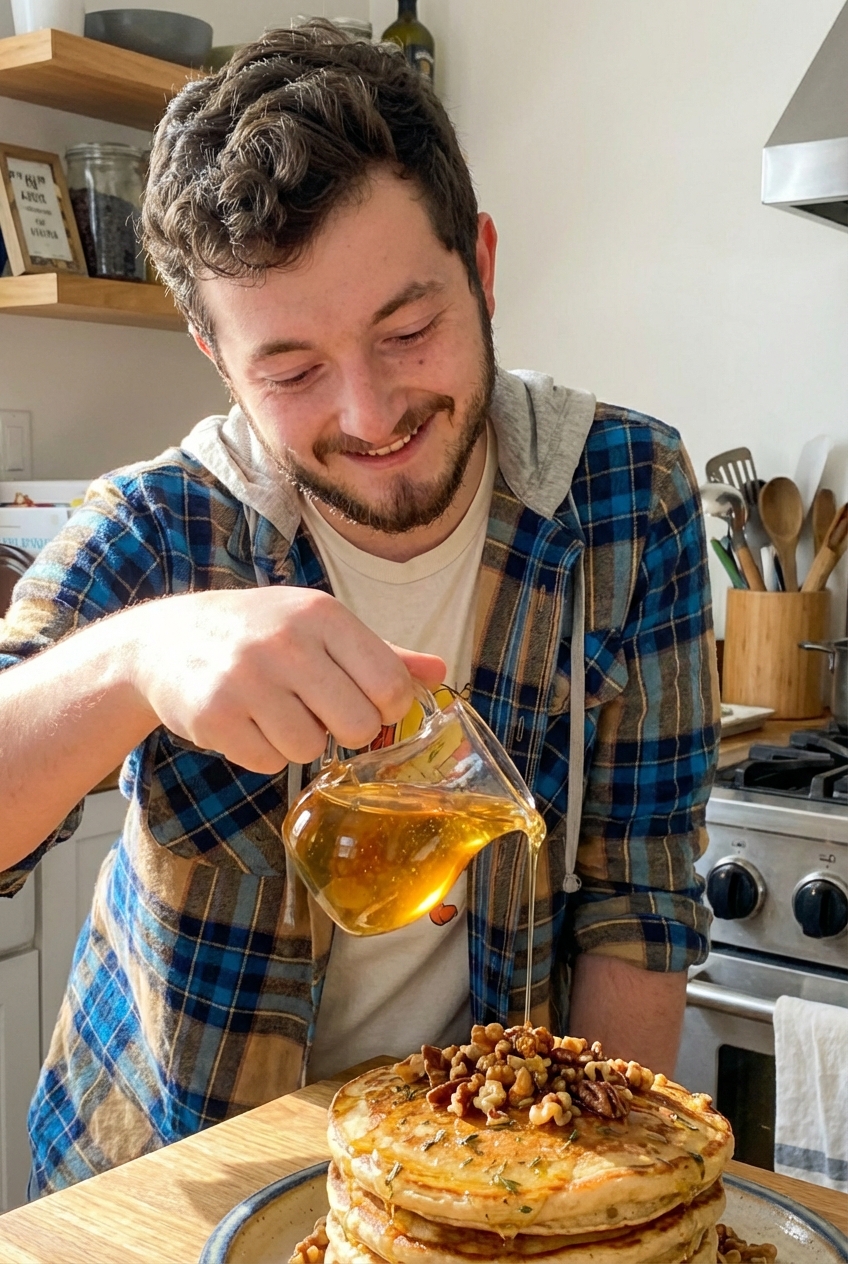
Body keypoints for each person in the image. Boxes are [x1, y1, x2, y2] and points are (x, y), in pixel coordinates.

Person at [0, 23, 719, 1196]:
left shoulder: (625, 499)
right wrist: (137, 661)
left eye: (408, 329)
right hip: (174, 1174)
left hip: (475, 1165)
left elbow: (637, 906)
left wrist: (585, 1201)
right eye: (289, 371)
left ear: (480, 266)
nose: (369, 410)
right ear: (216, 360)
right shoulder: (165, 526)